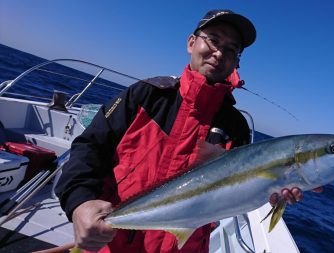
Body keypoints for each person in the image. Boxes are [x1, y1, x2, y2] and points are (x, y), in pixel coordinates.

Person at [55, 9, 307, 253]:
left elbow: (236, 193)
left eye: (231, 50)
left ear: (236, 62)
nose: (219, 53)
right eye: (214, 40)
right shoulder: (148, 95)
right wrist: (79, 203)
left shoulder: (236, 127)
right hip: (111, 244)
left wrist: (272, 191)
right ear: (191, 43)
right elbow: (90, 146)